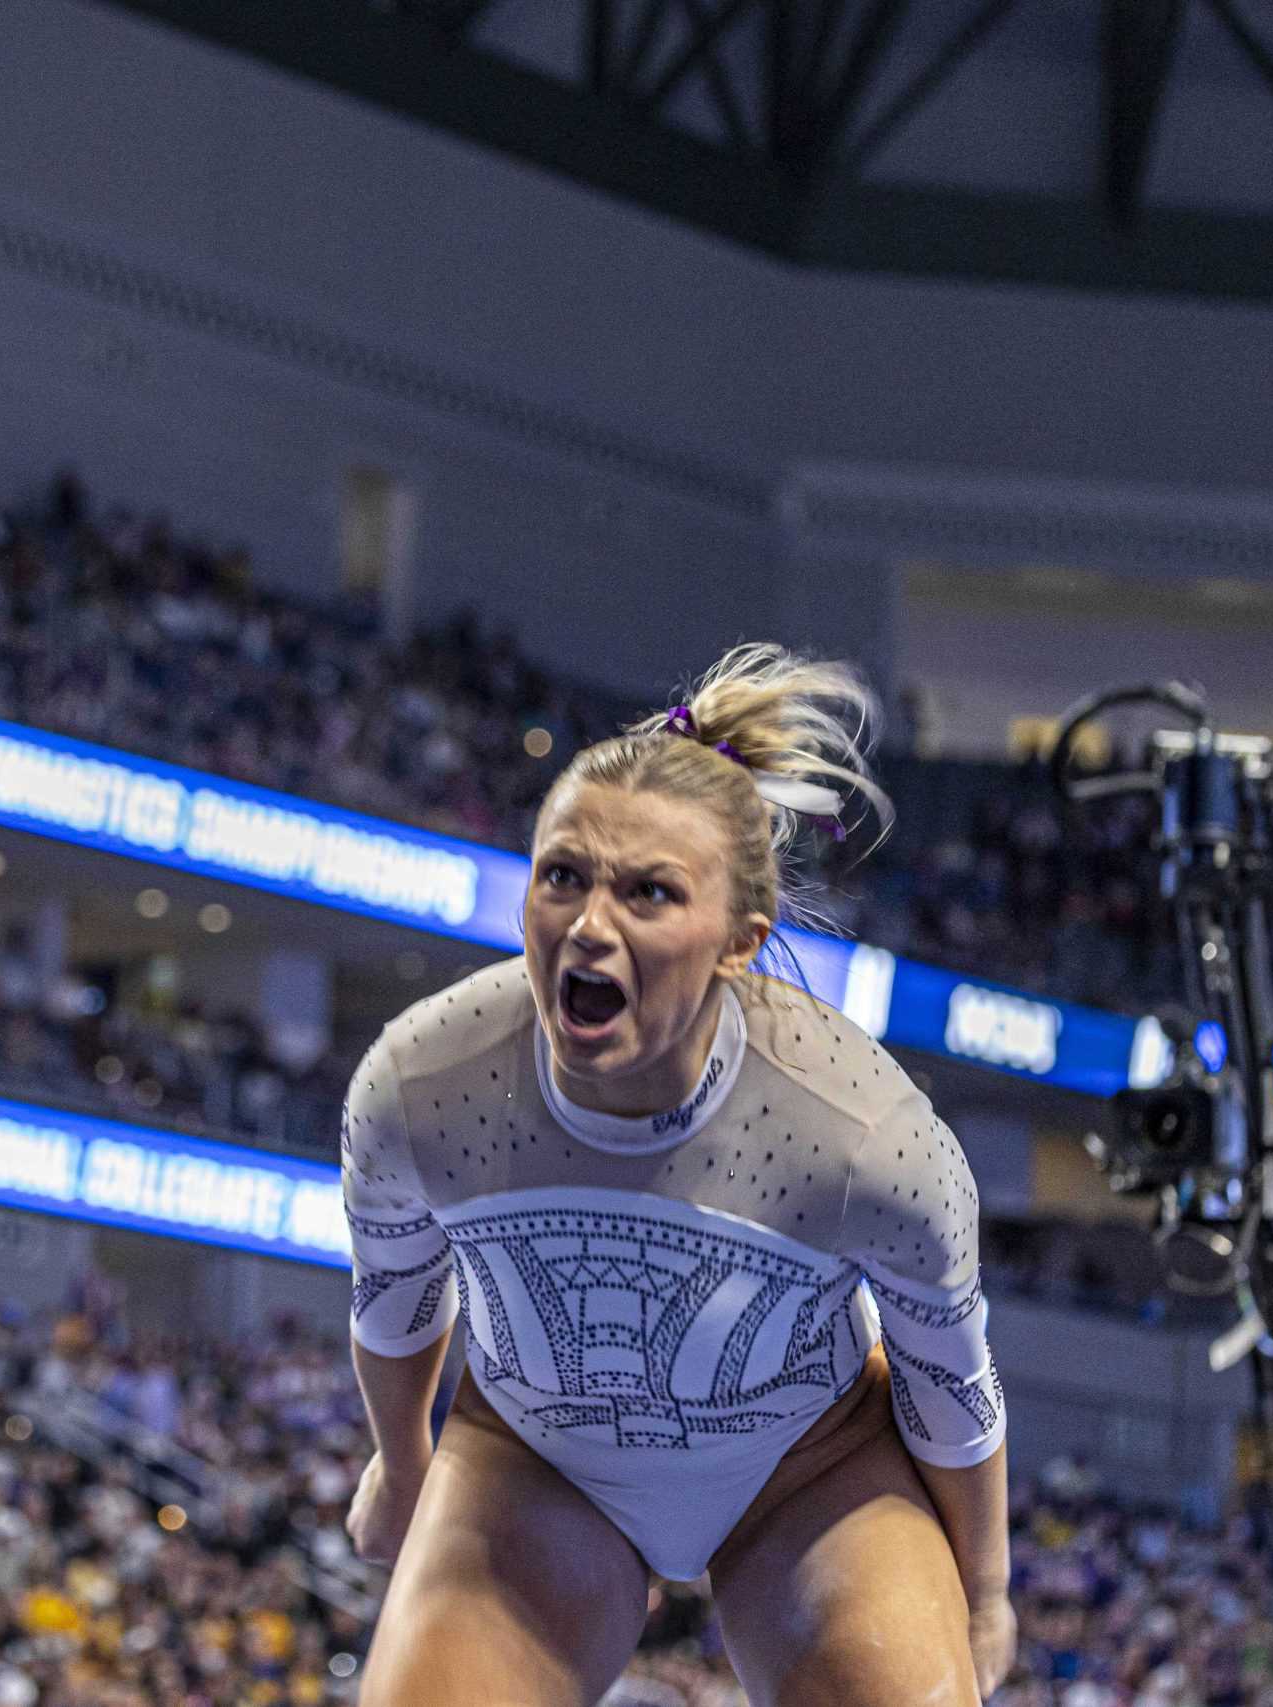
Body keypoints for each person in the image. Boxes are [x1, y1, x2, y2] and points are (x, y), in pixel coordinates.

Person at [340, 644, 1013, 1707]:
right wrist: (400, 1464)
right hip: (538, 1461)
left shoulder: (864, 1134)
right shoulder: (423, 1080)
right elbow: (395, 1298)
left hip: (808, 1474)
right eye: (562, 876)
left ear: (740, 942)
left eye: (649, 893)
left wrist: (982, 1596)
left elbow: (949, 1392)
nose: (590, 925)